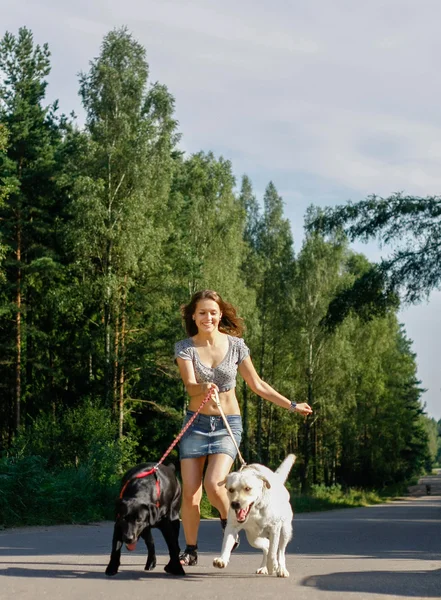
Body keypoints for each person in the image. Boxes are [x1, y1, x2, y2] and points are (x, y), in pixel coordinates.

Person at [174, 289, 312, 566]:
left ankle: (230, 524)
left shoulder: (236, 345)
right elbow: (190, 386)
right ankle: (190, 549)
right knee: (190, 492)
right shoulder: (185, 347)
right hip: (196, 424)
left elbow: (257, 385)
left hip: (227, 424)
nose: (207, 317)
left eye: (213, 312)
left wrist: (292, 405)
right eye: (202, 312)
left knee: (215, 484)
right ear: (193, 315)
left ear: (220, 314)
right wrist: (203, 387)